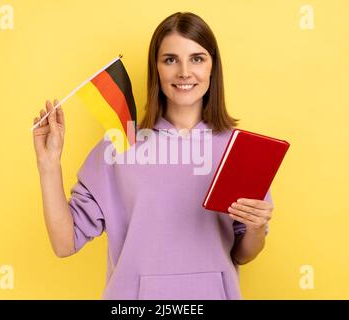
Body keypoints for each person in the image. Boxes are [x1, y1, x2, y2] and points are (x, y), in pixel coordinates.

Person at [32, 11, 274, 300]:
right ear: (156, 68)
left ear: (213, 66)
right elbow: (64, 243)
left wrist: (256, 227)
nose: (184, 72)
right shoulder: (120, 144)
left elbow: (244, 253)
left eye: (197, 58)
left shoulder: (240, 150)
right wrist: (49, 165)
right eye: (170, 59)